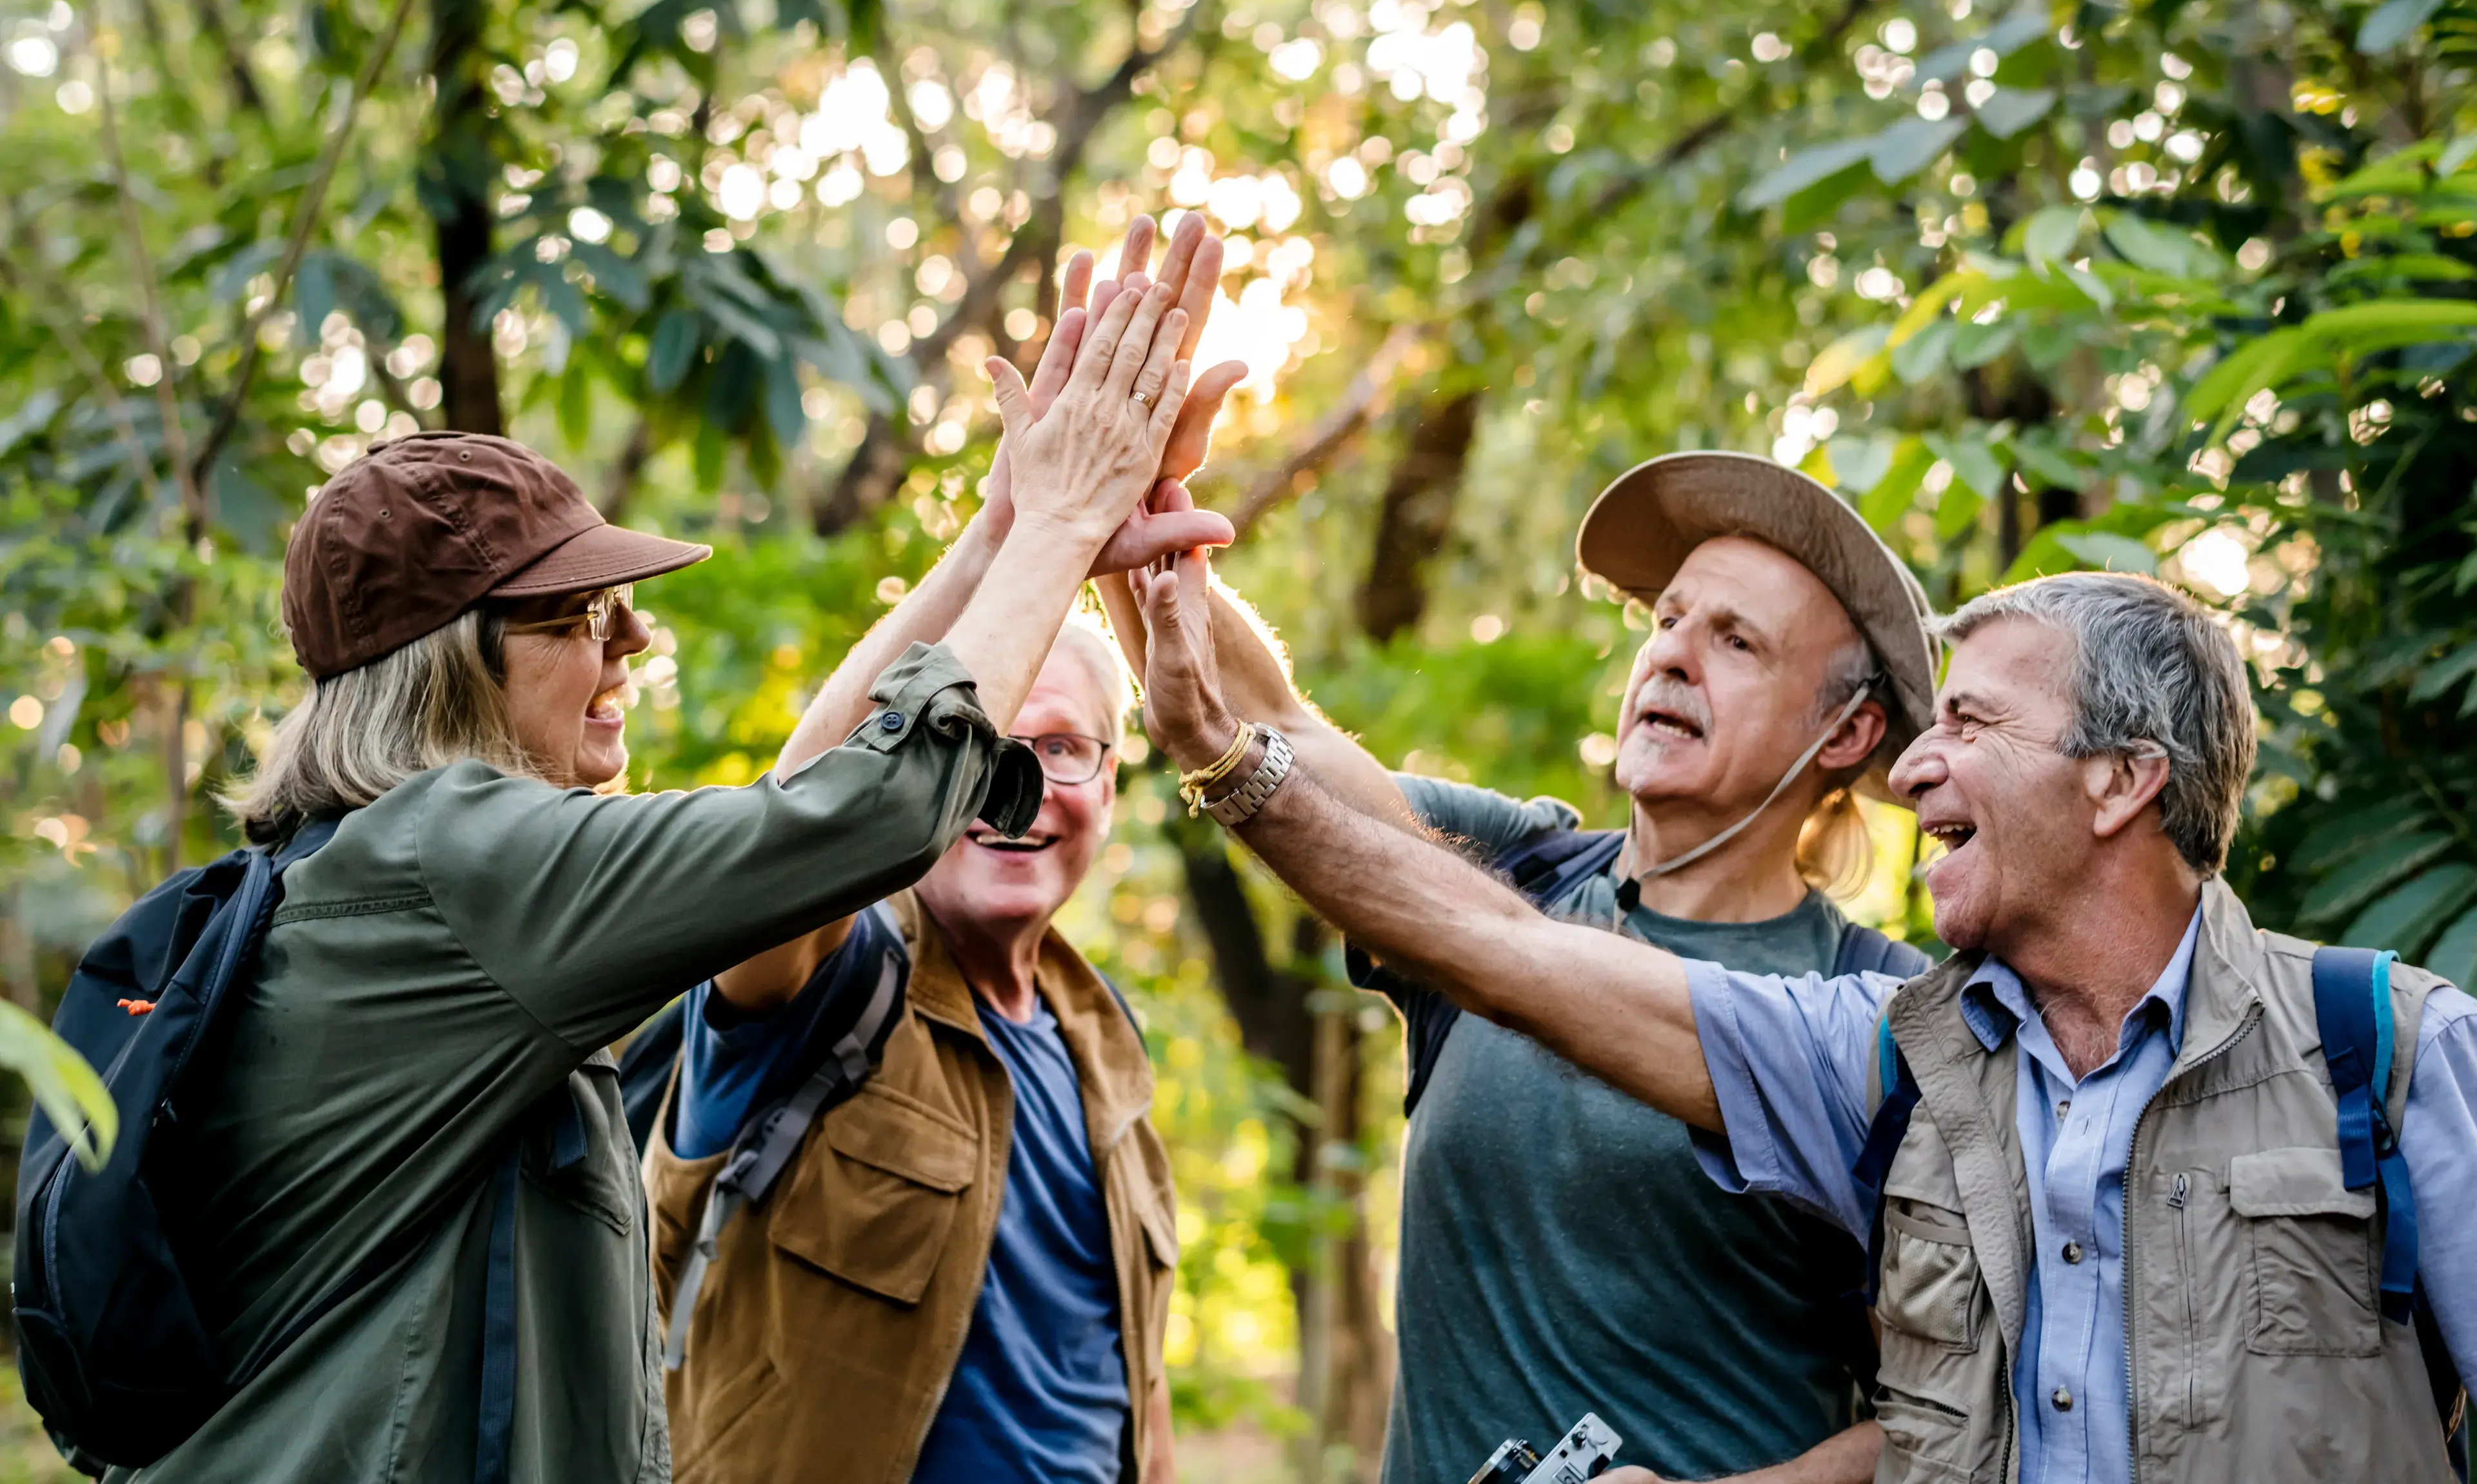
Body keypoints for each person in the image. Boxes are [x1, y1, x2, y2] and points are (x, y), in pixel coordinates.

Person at [127, 262, 1208, 1484]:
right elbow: (869, 811)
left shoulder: (365, 876)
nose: (636, 639)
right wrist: (1062, 529)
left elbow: (794, 825)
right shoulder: (458, 864)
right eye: (581, 613)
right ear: (457, 665)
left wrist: (1003, 532)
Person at [1132, 560, 2477, 1484]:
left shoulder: (2387, 1054)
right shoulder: (1890, 1054)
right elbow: (1482, 933)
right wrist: (1197, 686)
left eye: (1968, 721)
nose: (1916, 769)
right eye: (1666, 619)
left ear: (2124, 780)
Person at [1102, 454, 1937, 1484]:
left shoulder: (1880, 1017)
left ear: (1846, 731)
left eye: (1736, 641)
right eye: (1668, 619)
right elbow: (1271, 730)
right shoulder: (1506, 870)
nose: (1672, 657)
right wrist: (1128, 522)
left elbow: (1946, 1408)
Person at [640, 219, 1244, 1484]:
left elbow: (1123, 1388)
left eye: (1062, 750)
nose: (1013, 788)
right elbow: (791, 829)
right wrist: (1008, 537)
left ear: (1116, 788)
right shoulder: (823, 985)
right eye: (979, 748)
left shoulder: (1103, 1043)